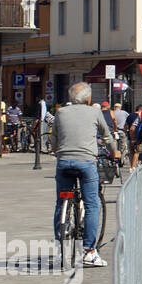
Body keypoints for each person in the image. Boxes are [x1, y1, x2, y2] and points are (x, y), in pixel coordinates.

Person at [50, 81, 120, 268]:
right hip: (86, 162)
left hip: (63, 161)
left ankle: (60, 247)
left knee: (60, 202)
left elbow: (54, 138)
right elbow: (106, 136)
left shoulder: (61, 112)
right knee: (92, 205)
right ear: (88, 98)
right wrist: (115, 151)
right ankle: (89, 251)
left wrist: (57, 149)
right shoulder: (94, 112)